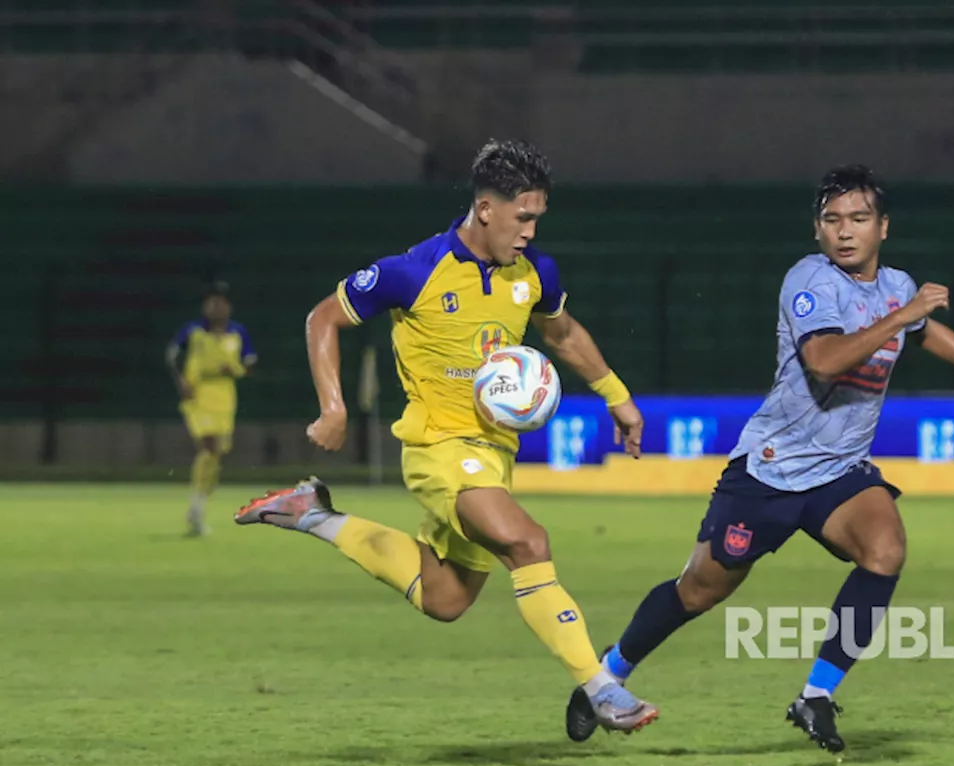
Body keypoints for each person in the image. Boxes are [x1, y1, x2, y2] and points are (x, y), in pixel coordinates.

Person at [565, 164, 954, 751]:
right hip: (770, 471)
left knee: (886, 550)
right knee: (699, 590)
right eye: (832, 220)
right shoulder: (811, 282)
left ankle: (816, 695)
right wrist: (900, 316)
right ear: (817, 231)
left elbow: (924, 331)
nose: (845, 231)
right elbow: (825, 360)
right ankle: (607, 674)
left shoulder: (896, 286)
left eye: (859, 219)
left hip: (838, 474)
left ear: (883, 228)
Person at [233, 139, 659, 733]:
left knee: (446, 598)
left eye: (538, 218)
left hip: (492, 455)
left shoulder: (535, 273)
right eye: (523, 217)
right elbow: (323, 316)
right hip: (439, 449)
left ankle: (313, 515)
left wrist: (618, 397)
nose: (531, 232)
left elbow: (560, 335)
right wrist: (333, 408)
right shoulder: (416, 270)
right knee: (529, 543)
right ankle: (601, 687)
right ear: (486, 209)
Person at [166, 281, 256, 536]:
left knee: (215, 455)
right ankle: (196, 506)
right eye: (212, 302)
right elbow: (171, 355)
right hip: (198, 395)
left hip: (225, 397)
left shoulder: (237, 332)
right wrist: (181, 380)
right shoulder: (193, 331)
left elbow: (250, 363)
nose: (216, 307)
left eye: (221, 302)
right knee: (209, 445)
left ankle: (199, 506)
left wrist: (237, 370)